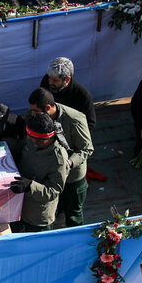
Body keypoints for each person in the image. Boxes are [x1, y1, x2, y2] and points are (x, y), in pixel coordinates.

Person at [29, 88, 93, 227]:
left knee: (74, 215)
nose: (32, 114)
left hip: (72, 177)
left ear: (47, 108)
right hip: (48, 174)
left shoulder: (74, 119)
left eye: (35, 111)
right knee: (51, 211)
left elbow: (86, 148)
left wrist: (68, 163)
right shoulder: (36, 117)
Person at [9, 113, 69, 232]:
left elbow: (53, 191)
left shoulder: (58, 160)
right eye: (29, 135)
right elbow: (21, 148)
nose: (29, 139)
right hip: (18, 207)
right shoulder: (32, 139)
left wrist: (30, 186)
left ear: (46, 138)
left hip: (37, 216)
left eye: (33, 138)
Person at [39, 57, 96, 132]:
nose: (50, 82)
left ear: (67, 80)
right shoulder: (46, 82)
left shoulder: (83, 96)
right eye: (50, 78)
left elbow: (90, 124)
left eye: (55, 80)